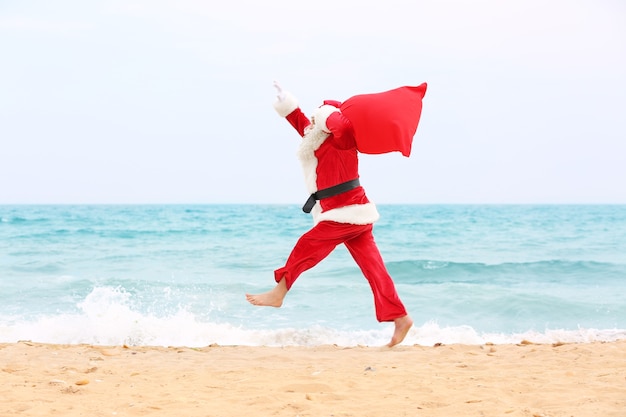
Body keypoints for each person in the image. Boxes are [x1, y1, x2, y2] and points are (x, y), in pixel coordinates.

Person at [246, 82, 426, 347]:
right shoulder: (316, 137)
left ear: (328, 118)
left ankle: (279, 292)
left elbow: (340, 125)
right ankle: (401, 317)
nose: (314, 116)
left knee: (307, 246)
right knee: (374, 269)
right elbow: (299, 122)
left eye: (319, 114)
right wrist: (285, 101)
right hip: (349, 213)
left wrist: (326, 113)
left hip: (346, 212)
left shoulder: (344, 138)